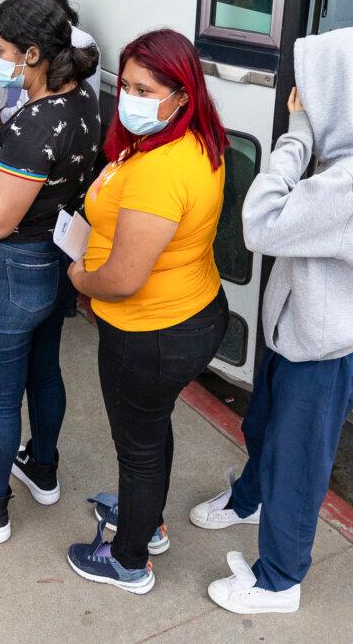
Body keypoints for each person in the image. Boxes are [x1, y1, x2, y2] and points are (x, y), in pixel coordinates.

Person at [192, 26, 353, 614]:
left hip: (324, 349)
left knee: (298, 466)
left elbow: (260, 224)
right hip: (309, 333)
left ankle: (279, 581)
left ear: (346, 95)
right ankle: (249, 499)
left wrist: (296, 139)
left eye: (315, 87)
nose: (301, 97)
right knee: (266, 429)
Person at [64, 29, 230, 594]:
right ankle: (146, 519)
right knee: (150, 429)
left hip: (150, 331)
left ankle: (128, 559)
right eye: (127, 86)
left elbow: (123, 278)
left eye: (145, 90)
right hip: (190, 311)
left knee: (137, 445)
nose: (129, 99)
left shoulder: (160, 171)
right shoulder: (192, 140)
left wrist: (80, 278)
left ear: (181, 94)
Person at [0, 0, 100, 544]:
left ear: (33, 54)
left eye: (1, 49)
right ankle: (43, 467)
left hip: (10, 269)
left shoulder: (38, 122)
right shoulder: (83, 98)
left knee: (2, 396)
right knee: (45, 370)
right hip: (57, 256)